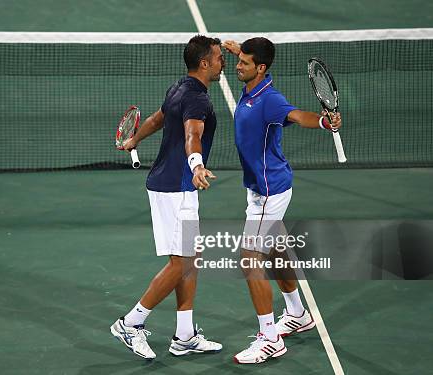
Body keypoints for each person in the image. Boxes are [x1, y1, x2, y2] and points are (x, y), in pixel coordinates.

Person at [221, 37, 341, 364]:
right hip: (261, 186)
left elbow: (296, 115)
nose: (237, 65)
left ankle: (270, 338)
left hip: (269, 191)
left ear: (260, 68)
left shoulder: (269, 99)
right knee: (274, 248)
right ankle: (298, 314)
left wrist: (321, 121)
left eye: (244, 62)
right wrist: (237, 50)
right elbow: (246, 59)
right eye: (238, 59)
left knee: (250, 258)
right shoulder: (252, 85)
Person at [110, 35, 225, 360]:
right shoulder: (198, 100)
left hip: (174, 186)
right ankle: (130, 323)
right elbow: (192, 135)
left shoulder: (179, 87)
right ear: (204, 63)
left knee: (190, 260)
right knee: (182, 262)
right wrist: (197, 164)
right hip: (175, 188)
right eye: (218, 58)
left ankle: (185, 334)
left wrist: (134, 139)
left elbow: (157, 119)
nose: (222, 62)